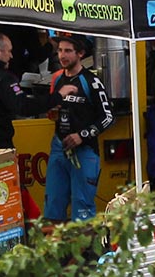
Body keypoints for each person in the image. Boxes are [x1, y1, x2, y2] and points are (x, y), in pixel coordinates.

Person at [42, 35, 115, 222]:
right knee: (53, 205)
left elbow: (108, 117)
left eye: (67, 51)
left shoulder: (92, 81)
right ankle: (56, 250)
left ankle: (86, 251)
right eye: (59, 50)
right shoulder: (57, 79)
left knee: (82, 208)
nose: (62, 55)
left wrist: (82, 135)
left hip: (85, 150)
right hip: (59, 146)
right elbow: (53, 108)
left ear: (80, 54)